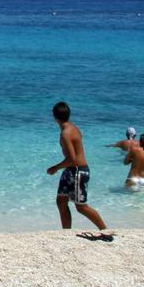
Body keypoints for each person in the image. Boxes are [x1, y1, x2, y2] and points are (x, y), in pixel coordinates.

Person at [47, 102, 112, 239]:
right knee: (61, 201)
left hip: (77, 171)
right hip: (71, 171)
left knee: (81, 207)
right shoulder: (73, 127)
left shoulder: (66, 132)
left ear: (54, 117)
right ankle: (66, 232)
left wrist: (55, 168)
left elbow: (72, 159)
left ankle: (105, 230)